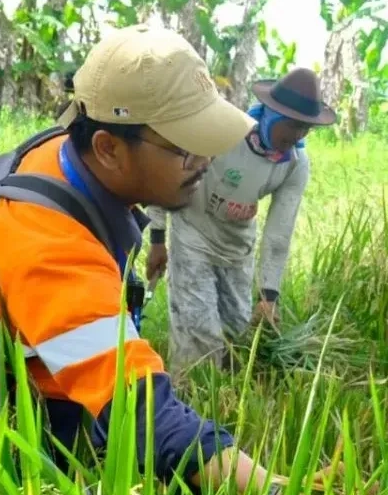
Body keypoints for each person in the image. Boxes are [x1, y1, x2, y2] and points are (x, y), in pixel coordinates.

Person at [0, 25, 332, 495]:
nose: (205, 161)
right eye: (185, 147)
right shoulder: (49, 247)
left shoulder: (66, 155)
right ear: (108, 148)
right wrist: (274, 494)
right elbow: (143, 413)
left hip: (32, 366)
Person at [144, 67, 336, 371]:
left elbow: (279, 232)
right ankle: (187, 394)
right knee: (199, 333)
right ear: (271, 113)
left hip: (237, 248)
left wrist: (269, 295)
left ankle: (226, 395)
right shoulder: (224, 133)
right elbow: (167, 178)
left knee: (236, 335)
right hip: (193, 235)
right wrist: (157, 238)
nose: (298, 135)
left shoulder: (295, 164)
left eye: (306, 128)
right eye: (293, 125)